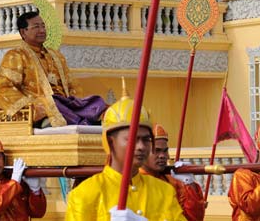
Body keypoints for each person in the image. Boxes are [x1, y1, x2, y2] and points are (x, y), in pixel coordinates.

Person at [65, 87, 186, 221]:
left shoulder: (164, 192)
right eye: (133, 139)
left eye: (146, 140)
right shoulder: (85, 194)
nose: (141, 147)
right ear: (110, 143)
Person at [0, 11, 108, 127]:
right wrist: (33, 107)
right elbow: (4, 87)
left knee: (95, 102)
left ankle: (81, 116)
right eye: (36, 27)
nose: (42, 30)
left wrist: (77, 103)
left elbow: (72, 85)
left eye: (43, 26)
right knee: (52, 103)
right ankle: (80, 120)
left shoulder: (57, 56)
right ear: (23, 32)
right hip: (44, 107)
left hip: (65, 103)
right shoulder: (15, 55)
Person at [140, 124, 206, 221]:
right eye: (157, 151)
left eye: (165, 151)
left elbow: (194, 218)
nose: (162, 156)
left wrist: (190, 183)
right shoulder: (133, 180)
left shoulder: (174, 181)